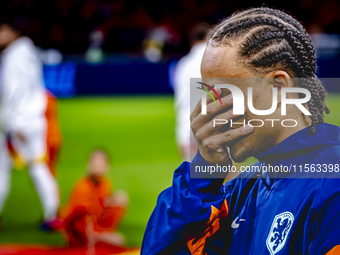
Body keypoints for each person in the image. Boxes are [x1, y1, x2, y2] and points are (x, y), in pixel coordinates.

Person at [142, 7, 340, 255]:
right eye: (210, 97)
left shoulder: (332, 187)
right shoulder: (246, 186)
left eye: (226, 95)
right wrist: (205, 174)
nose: (213, 114)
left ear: (279, 87)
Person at [0, 18, 60, 229]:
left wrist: (13, 124)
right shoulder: (29, 50)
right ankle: (52, 213)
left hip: (20, 122)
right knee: (38, 167)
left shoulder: (12, 56)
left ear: (9, 30)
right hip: (36, 119)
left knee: (2, 168)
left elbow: (13, 93)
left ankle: (52, 213)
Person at [62, 150, 128, 249]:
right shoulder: (83, 187)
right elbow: (80, 220)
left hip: (94, 227)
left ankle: (105, 234)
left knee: (121, 197)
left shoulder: (105, 184)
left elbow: (100, 207)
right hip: (80, 233)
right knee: (118, 240)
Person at [173, 23, 209, 161]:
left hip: (188, 125)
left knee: (191, 177)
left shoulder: (184, 64)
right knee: (227, 178)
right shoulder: (217, 61)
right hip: (217, 125)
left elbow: (181, 99)